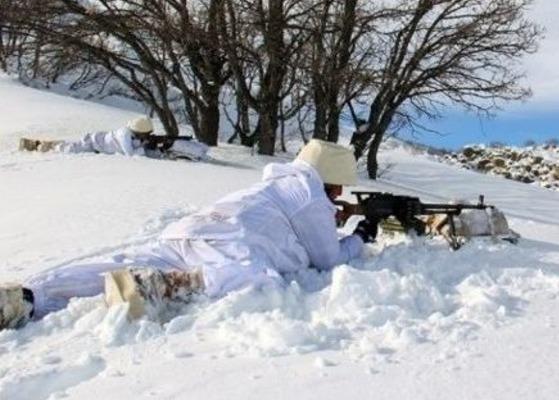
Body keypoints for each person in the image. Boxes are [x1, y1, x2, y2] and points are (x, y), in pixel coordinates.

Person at [0, 139, 378, 330]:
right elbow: (327, 259)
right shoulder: (309, 194)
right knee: (257, 281)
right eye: (337, 189)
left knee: (119, 264)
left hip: (190, 231)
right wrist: (360, 235)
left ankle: (30, 297)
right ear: (328, 180)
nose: (337, 196)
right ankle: (164, 287)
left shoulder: (279, 183)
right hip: (226, 246)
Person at [18, 116, 155, 156]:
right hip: (93, 143)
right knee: (66, 149)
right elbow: (129, 153)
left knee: (69, 146)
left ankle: (52, 143)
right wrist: (144, 147)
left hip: (97, 143)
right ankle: (35, 145)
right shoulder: (124, 135)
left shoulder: (131, 133)